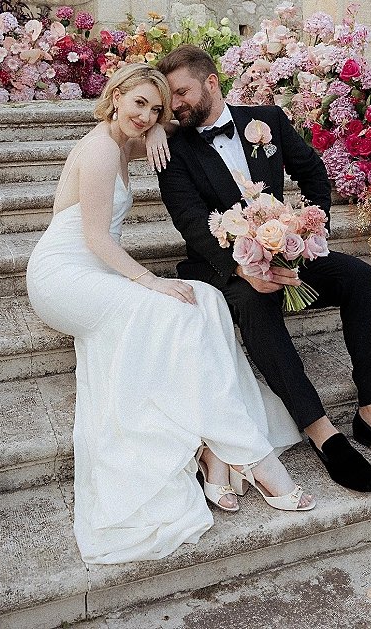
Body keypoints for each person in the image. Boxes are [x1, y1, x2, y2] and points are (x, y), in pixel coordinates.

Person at [26, 63, 315, 567]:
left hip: (96, 270)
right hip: (64, 275)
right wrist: (151, 281)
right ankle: (250, 456)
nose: (146, 116)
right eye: (138, 103)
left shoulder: (126, 140)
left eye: (155, 108)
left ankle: (215, 456)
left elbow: (184, 133)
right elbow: (94, 238)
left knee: (204, 299)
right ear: (114, 96)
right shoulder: (98, 148)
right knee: (173, 310)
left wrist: (160, 123)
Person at [155, 45, 371, 493]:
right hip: (223, 266)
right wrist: (243, 268)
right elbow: (192, 223)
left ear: (212, 82)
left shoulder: (266, 119)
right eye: (170, 98)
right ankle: (321, 431)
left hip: (287, 249)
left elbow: (313, 173)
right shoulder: (173, 149)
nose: (176, 105)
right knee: (256, 297)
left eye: (182, 92)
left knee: (359, 277)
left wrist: (308, 228)